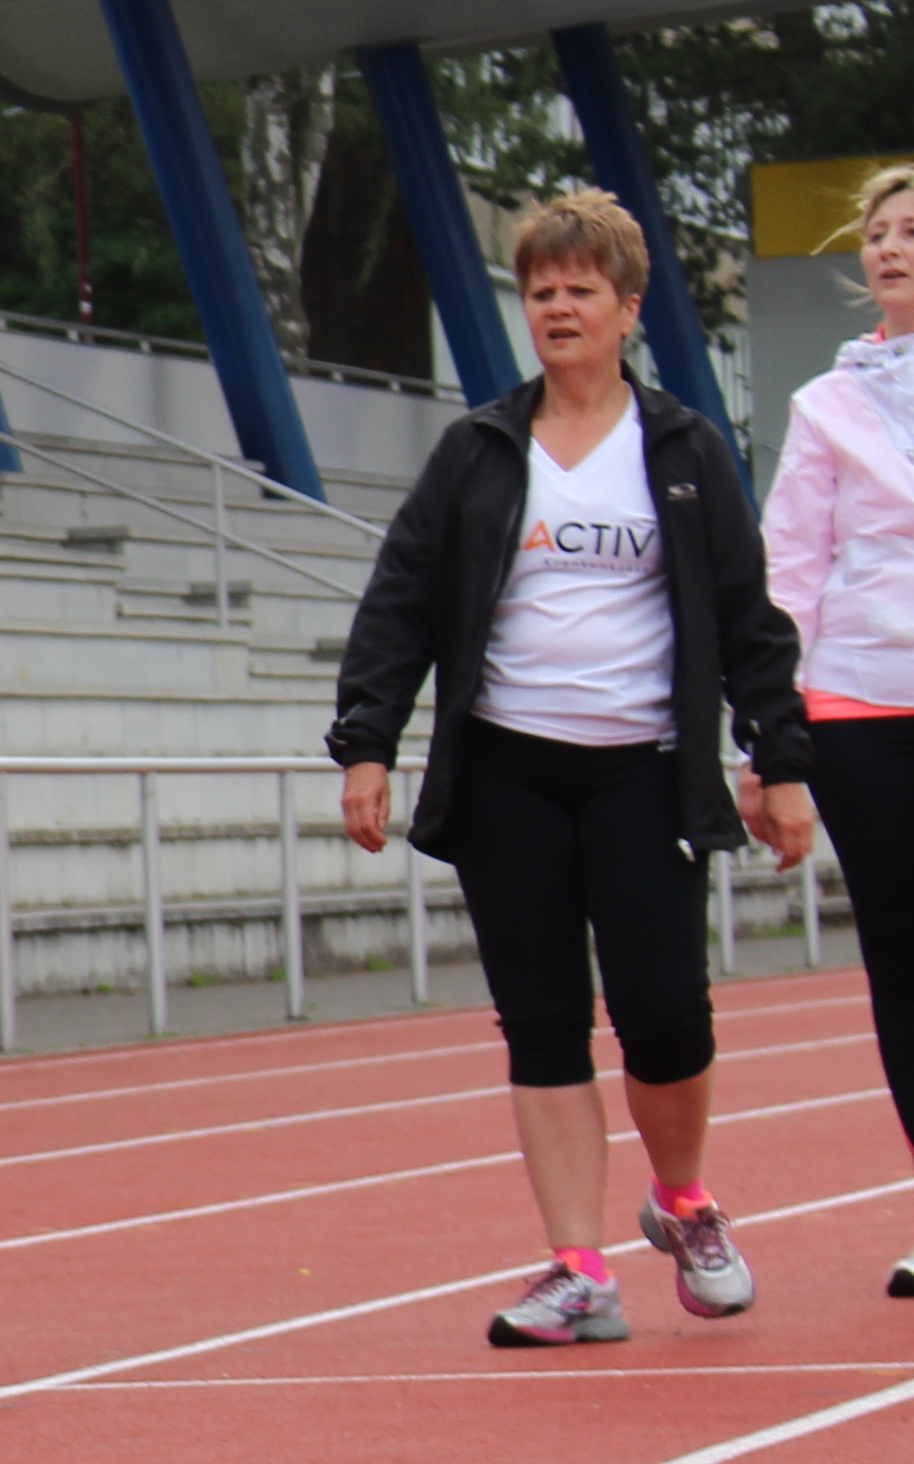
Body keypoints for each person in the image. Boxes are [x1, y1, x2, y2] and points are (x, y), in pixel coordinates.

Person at [336, 188, 812, 1349]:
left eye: (579, 290)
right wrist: (366, 742)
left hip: (643, 775)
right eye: (540, 290)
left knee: (665, 1015)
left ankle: (686, 1202)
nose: (557, 306)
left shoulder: (686, 450)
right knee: (542, 1023)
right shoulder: (481, 450)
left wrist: (780, 761)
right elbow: (400, 599)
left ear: (627, 309)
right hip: (507, 774)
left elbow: (749, 621)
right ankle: (578, 1268)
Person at [763, 162, 914, 1301]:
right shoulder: (827, 404)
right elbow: (790, 573)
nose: (892, 247)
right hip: (861, 703)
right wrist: (778, 740)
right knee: (902, 966)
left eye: (911, 231)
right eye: (878, 232)